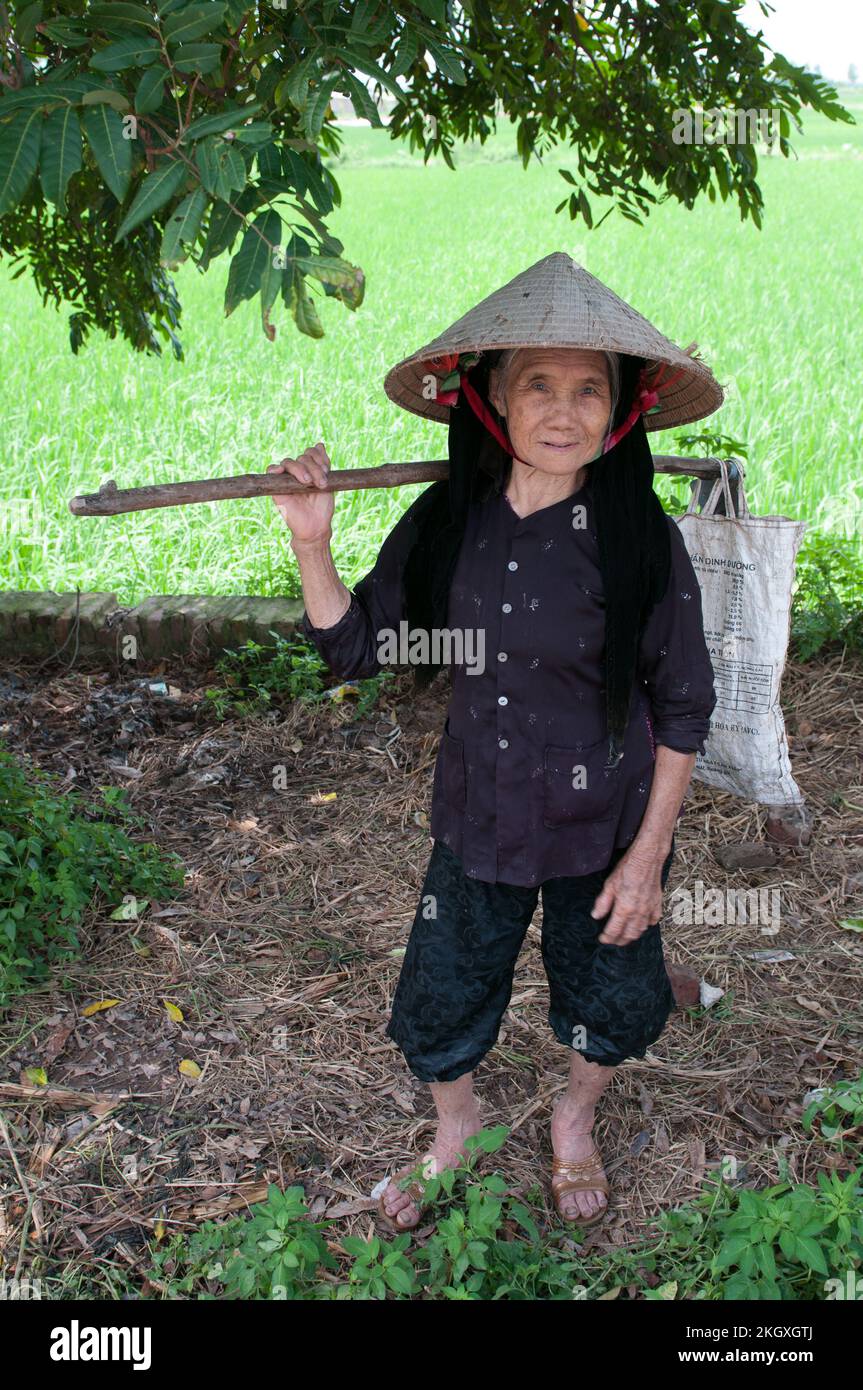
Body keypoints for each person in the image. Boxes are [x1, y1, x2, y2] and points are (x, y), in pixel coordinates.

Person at [267, 253, 720, 1230]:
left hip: (604, 825)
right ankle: (455, 1129)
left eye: (586, 390)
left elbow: (682, 707)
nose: (562, 412)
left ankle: (571, 1119)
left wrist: (645, 860)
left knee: (609, 990)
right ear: (491, 403)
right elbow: (356, 649)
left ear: (620, 410)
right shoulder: (445, 525)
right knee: (441, 990)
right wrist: (311, 540)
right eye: (537, 387)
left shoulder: (639, 540)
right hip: (478, 820)